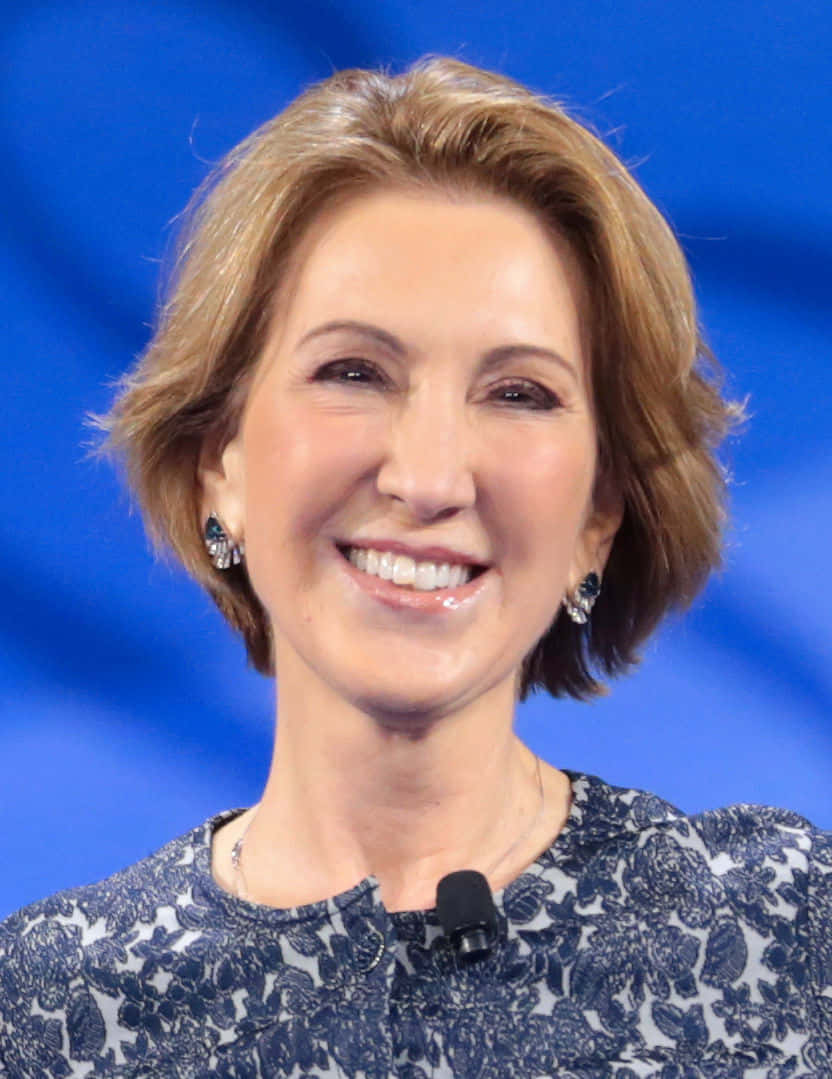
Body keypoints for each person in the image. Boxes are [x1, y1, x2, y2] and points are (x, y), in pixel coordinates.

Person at [1, 56, 830, 1078]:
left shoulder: (786, 936)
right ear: (221, 465)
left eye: (519, 392)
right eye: (353, 372)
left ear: (598, 517)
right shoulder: (48, 1011)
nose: (430, 476)